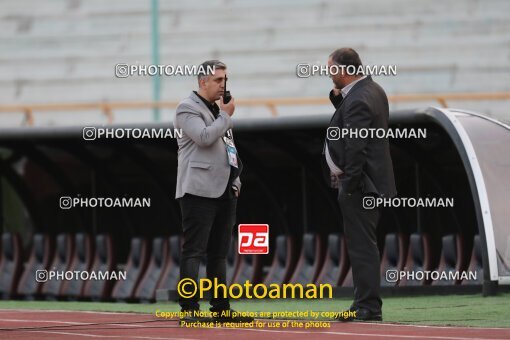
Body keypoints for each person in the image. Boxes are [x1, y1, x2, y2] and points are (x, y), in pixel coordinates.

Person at [174, 60, 252, 323]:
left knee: (219, 253)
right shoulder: (187, 108)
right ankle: (189, 310)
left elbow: (230, 149)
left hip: (225, 191)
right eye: (218, 80)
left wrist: (236, 182)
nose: (223, 85)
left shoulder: (219, 111)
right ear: (202, 82)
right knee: (194, 250)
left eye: (225, 80)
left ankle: (220, 309)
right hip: (197, 190)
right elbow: (205, 137)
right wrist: (226, 116)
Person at [324, 48, 397, 321]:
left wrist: (350, 185)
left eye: (331, 69)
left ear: (343, 70)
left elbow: (356, 147)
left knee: (362, 247)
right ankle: (361, 303)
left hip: (362, 186)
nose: (329, 74)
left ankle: (368, 307)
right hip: (372, 184)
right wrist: (339, 103)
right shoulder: (371, 90)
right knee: (363, 245)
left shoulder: (358, 99)